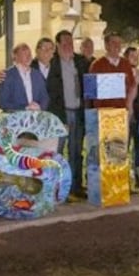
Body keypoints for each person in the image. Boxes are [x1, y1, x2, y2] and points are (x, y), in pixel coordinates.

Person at [55, 29, 90, 198]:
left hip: (78, 111)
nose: (69, 46)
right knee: (58, 152)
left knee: (76, 151)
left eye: (71, 42)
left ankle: (75, 186)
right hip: (61, 113)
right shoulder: (53, 62)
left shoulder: (80, 61)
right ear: (58, 45)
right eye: (65, 43)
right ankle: (58, 188)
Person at [88, 32, 136, 112]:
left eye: (119, 43)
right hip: (103, 112)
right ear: (106, 46)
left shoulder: (126, 64)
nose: (117, 46)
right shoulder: (96, 65)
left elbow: (132, 86)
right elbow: (91, 91)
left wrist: (129, 105)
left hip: (122, 110)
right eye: (113, 42)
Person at [30, 37, 62, 152]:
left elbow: (61, 96)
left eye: (50, 49)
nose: (48, 52)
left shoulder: (58, 69)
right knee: (36, 154)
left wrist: (63, 120)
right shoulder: (29, 68)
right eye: (44, 49)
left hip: (54, 118)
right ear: (37, 50)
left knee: (54, 153)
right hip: (34, 119)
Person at [0, 42, 49, 111]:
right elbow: (2, 103)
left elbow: (45, 98)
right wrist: (25, 108)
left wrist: (40, 107)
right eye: (24, 54)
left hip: (36, 117)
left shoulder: (37, 74)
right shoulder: (6, 75)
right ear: (15, 56)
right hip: (15, 119)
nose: (29, 57)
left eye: (30, 54)